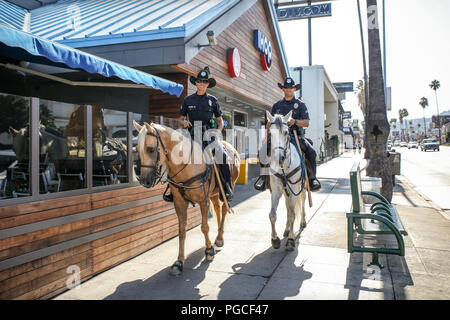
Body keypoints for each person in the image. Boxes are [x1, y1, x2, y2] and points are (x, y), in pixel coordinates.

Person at [163, 67, 233, 203]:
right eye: (199, 81)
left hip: (209, 134)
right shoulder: (188, 100)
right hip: (191, 134)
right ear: (196, 83)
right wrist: (184, 123)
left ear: (208, 84)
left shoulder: (213, 100)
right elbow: (180, 119)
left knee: (222, 155)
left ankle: (227, 188)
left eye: (204, 82)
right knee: (174, 155)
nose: (201, 84)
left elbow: (220, 122)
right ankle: (171, 189)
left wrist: (217, 132)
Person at [254, 77, 321, 192]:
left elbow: (306, 123)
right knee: (263, 151)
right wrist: (266, 137)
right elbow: (270, 123)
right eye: (286, 88)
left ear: (294, 89)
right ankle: (263, 178)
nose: (288, 90)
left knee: (312, 152)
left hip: (296, 136)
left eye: (291, 88)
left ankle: (312, 178)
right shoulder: (277, 105)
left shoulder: (300, 105)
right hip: (278, 137)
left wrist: (295, 121)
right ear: (283, 89)